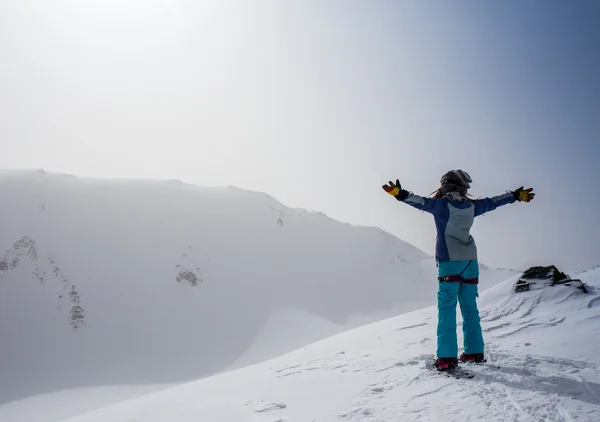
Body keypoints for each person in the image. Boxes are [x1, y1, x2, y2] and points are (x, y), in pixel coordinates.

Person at [382, 170, 535, 371]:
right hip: (470, 262)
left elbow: (420, 202)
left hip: (449, 262)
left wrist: (400, 194)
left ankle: (446, 358)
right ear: (463, 187)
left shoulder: (441, 205)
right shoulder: (472, 206)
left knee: (447, 310)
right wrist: (515, 196)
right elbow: (493, 202)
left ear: (445, 185)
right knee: (470, 309)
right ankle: (474, 352)